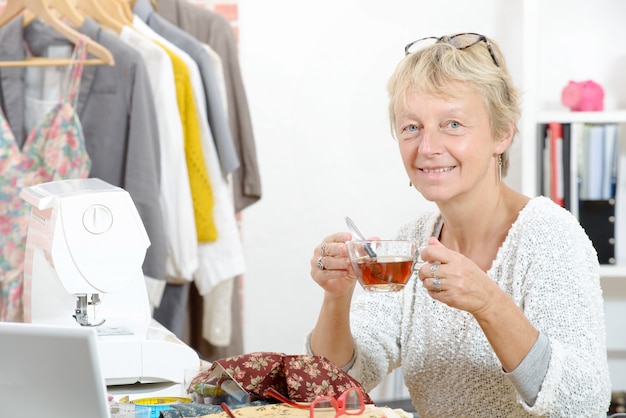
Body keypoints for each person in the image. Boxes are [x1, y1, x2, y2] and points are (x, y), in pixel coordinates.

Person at [306, 33, 611, 417]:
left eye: (452, 124)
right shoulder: (414, 240)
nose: (428, 147)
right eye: (411, 127)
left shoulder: (551, 237)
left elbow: (582, 405)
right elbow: (334, 385)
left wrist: (488, 302)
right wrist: (336, 297)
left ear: (502, 134)